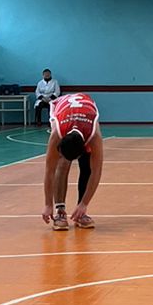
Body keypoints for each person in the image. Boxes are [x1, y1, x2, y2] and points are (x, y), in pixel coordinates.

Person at [42, 91, 104, 231]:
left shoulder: (94, 135)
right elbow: (49, 170)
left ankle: (81, 212)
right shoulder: (57, 133)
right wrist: (48, 204)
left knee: (87, 167)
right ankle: (60, 211)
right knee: (62, 164)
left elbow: (97, 171)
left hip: (85, 107)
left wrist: (84, 203)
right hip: (62, 107)